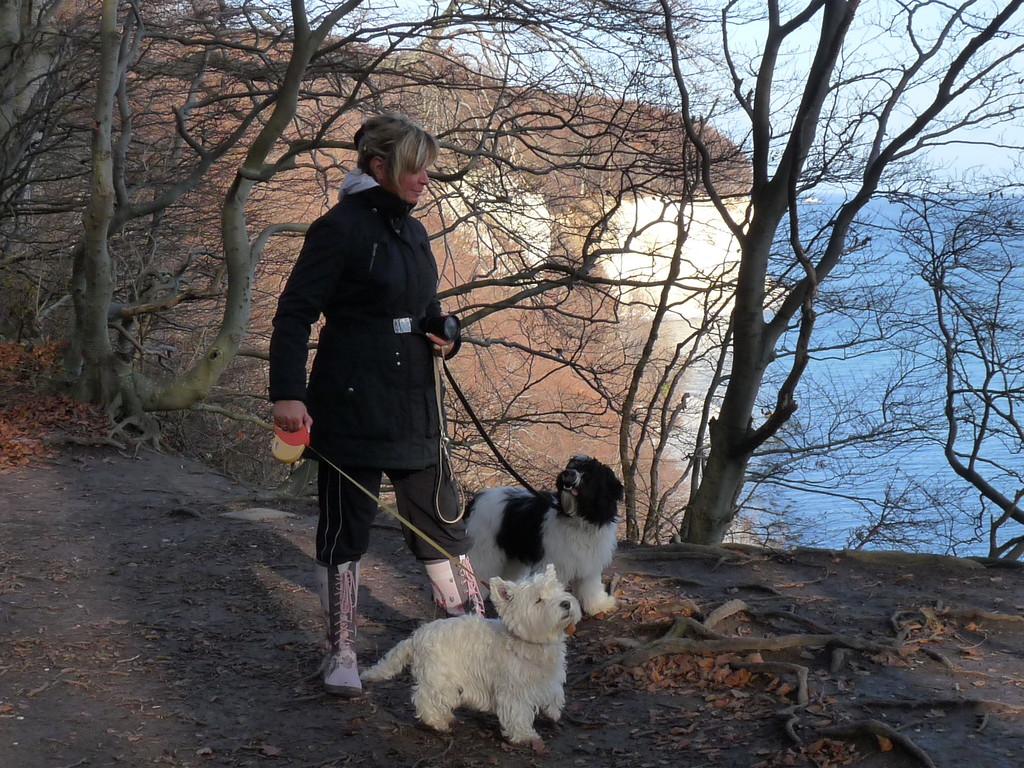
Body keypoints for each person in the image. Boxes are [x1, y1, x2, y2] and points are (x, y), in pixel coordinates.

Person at [268, 113, 484, 698]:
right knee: (345, 531)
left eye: (428, 169)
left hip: (414, 400)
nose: (425, 179)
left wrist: (448, 327)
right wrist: (288, 392)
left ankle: (472, 640)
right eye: (415, 168)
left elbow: (427, 305)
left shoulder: (413, 232)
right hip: (348, 400)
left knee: (441, 524)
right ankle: (341, 654)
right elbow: (293, 314)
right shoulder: (336, 228)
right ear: (379, 166)